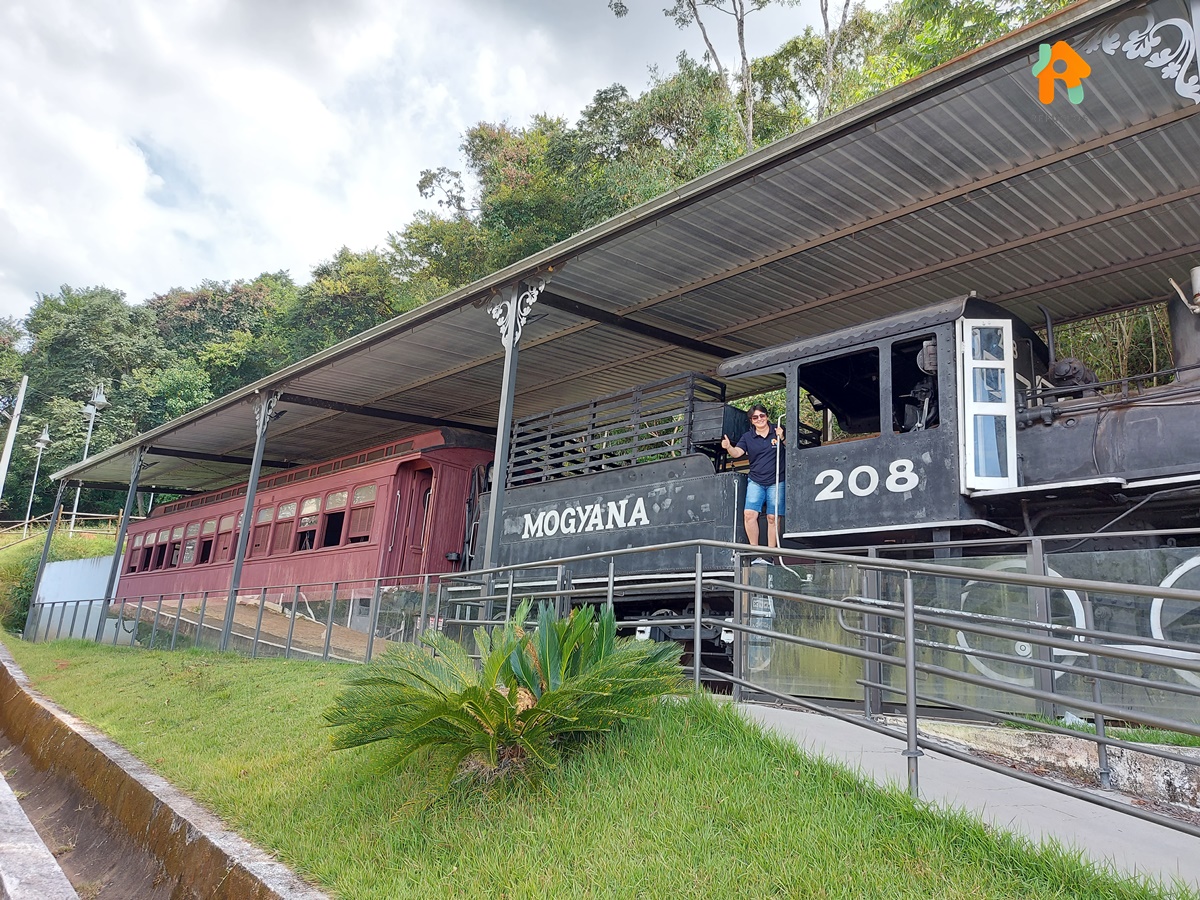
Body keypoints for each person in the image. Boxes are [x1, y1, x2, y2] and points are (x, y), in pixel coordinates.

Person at [721, 404, 785, 552]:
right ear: (751, 420)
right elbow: (737, 453)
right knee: (749, 514)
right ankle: (755, 551)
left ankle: (771, 553)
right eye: (755, 417)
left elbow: (792, 446)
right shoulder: (747, 437)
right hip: (756, 480)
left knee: (773, 517)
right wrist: (728, 447)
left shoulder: (778, 429)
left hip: (777, 480)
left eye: (762, 415)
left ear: (767, 416)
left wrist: (782, 437)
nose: (759, 419)